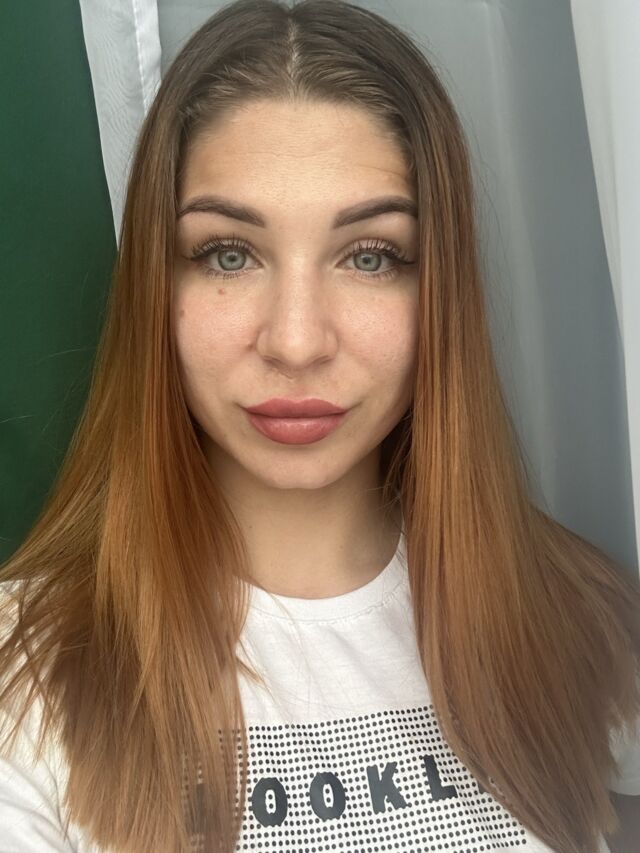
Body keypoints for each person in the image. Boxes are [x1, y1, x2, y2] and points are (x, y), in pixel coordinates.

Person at [1, 1, 639, 851]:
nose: (297, 341)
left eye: (370, 256)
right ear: (158, 283)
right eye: (229, 254)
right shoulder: (23, 673)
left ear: (439, 288)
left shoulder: (585, 622)